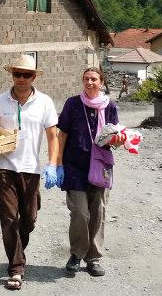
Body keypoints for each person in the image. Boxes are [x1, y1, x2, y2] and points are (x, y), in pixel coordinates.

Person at [0, 54, 59, 291]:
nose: (21, 78)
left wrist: (52, 164)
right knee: (9, 219)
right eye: (17, 74)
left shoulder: (45, 102)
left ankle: (16, 249)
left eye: (26, 74)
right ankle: (16, 269)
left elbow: (52, 136)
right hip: (4, 167)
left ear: (34, 77)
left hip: (31, 169)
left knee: (28, 220)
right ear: (12, 75)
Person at [54, 67, 122, 278]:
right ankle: (76, 254)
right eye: (86, 79)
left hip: (100, 166)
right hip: (74, 165)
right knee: (80, 213)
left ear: (101, 82)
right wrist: (57, 163)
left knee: (98, 212)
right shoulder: (73, 104)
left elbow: (115, 137)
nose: (89, 82)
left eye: (93, 79)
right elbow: (62, 134)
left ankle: (93, 258)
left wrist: (119, 140)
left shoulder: (110, 106)